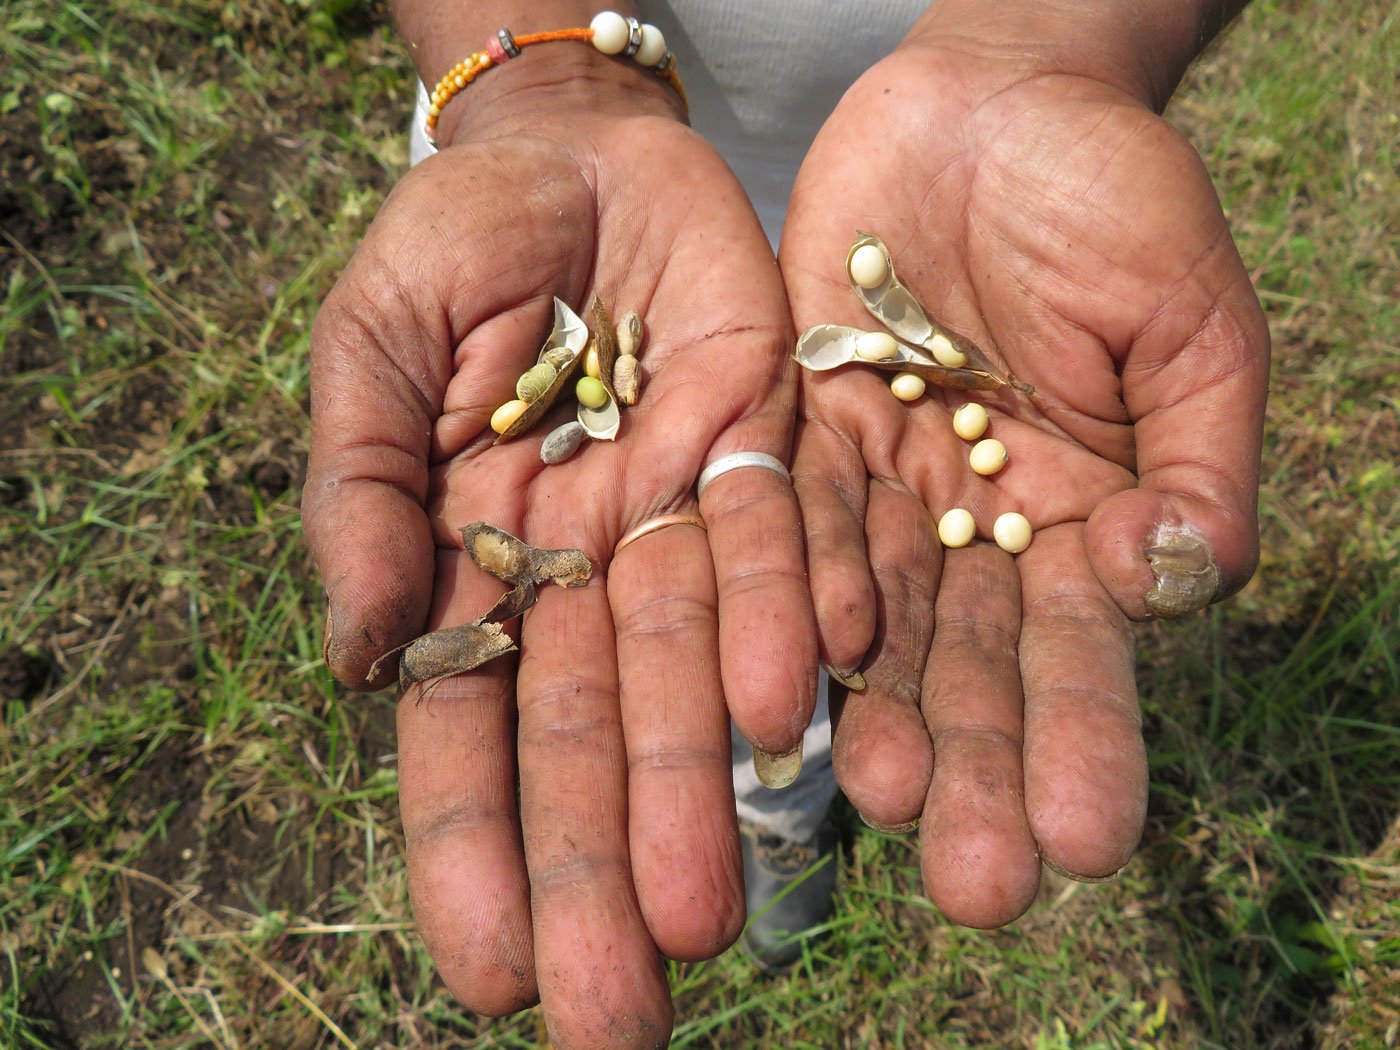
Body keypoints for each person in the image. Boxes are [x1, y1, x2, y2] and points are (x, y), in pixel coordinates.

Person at [301, 0, 1268, 1044]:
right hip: (568, 173)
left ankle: (784, 803)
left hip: (949, 193)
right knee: (686, 608)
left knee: (823, 610)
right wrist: (543, 83)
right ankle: (766, 802)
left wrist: (1055, 44)